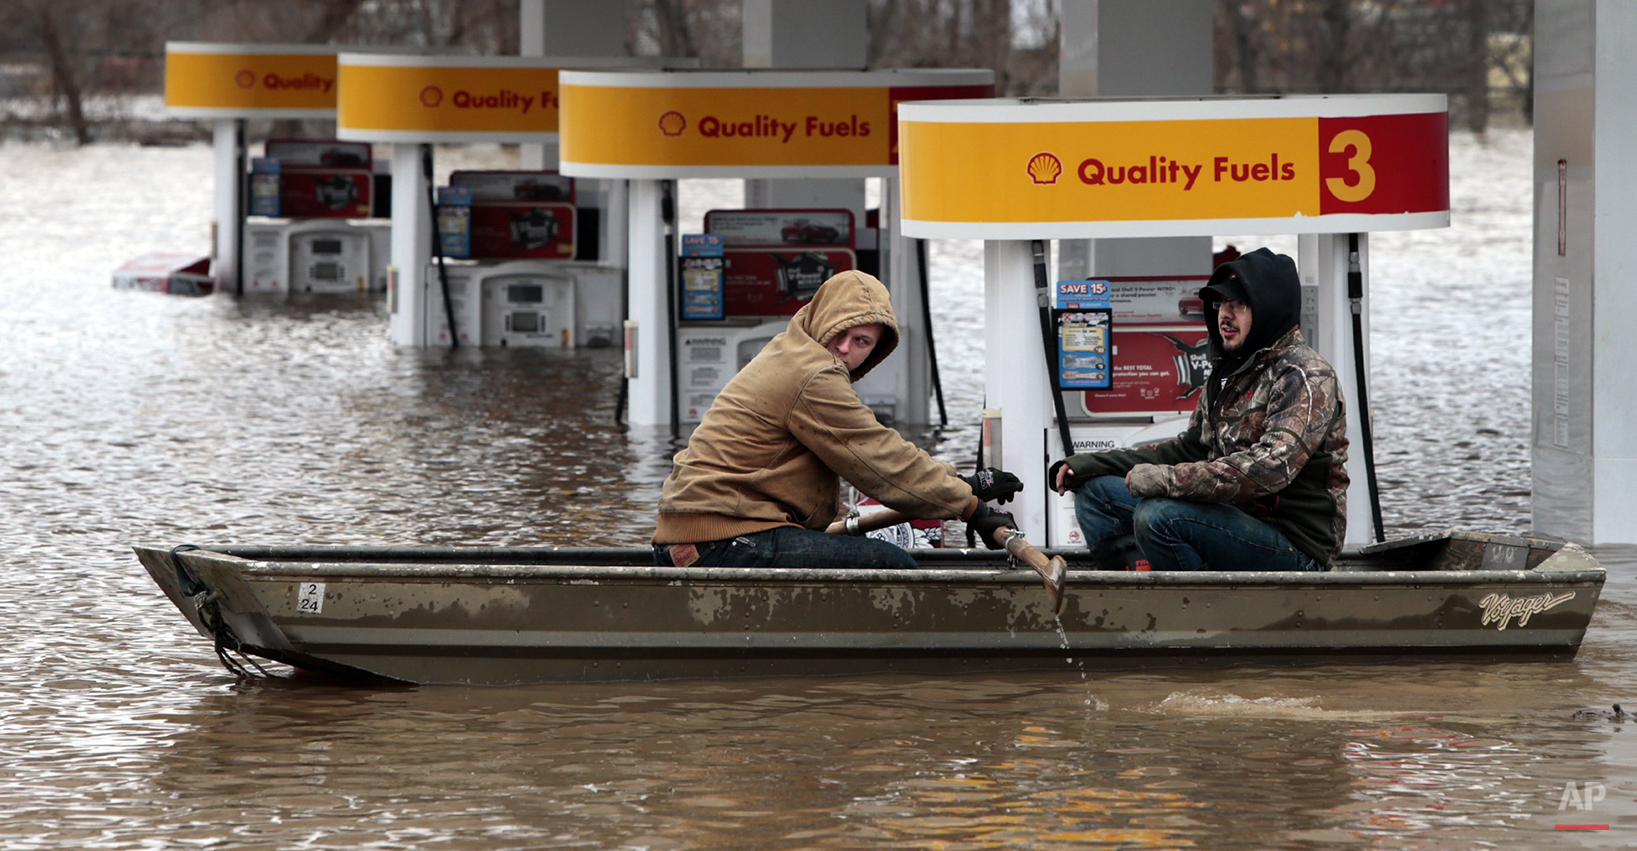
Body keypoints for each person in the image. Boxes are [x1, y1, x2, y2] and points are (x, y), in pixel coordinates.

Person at [653, 270, 1023, 569]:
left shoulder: (790, 351)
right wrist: (972, 508)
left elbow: (882, 455)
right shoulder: (812, 375)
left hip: (696, 538)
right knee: (888, 564)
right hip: (719, 541)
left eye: (861, 341)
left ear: (876, 350)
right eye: (839, 332)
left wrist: (962, 484)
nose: (845, 349)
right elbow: (879, 462)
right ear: (820, 319)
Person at [1049, 248, 1349, 572]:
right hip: (1231, 517)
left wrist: (1165, 480)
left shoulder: (1304, 375)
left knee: (1159, 515)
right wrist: (1089, 464)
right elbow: (1189, 447)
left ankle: (1187, 610)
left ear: (1269, 309)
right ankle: (1130, 594)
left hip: (1293, 545)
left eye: (1239, 304)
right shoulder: (1230, 369)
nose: (1225, 314)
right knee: (1096, 494)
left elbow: (1267, 469)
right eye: (1221, 304)